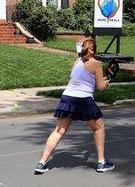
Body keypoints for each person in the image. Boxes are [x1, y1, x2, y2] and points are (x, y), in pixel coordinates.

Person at [34, 38, 114, 174]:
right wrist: (107, 82)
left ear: (83, 48)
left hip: (67, 97)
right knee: (99, 127)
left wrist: (102, 80)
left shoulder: (76, 62)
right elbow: (100, 88)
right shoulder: (96, 63)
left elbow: (83, 80)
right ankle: (101, 162)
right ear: (95, 49)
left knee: (58, 131)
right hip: (83, 100)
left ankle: (41, 163)